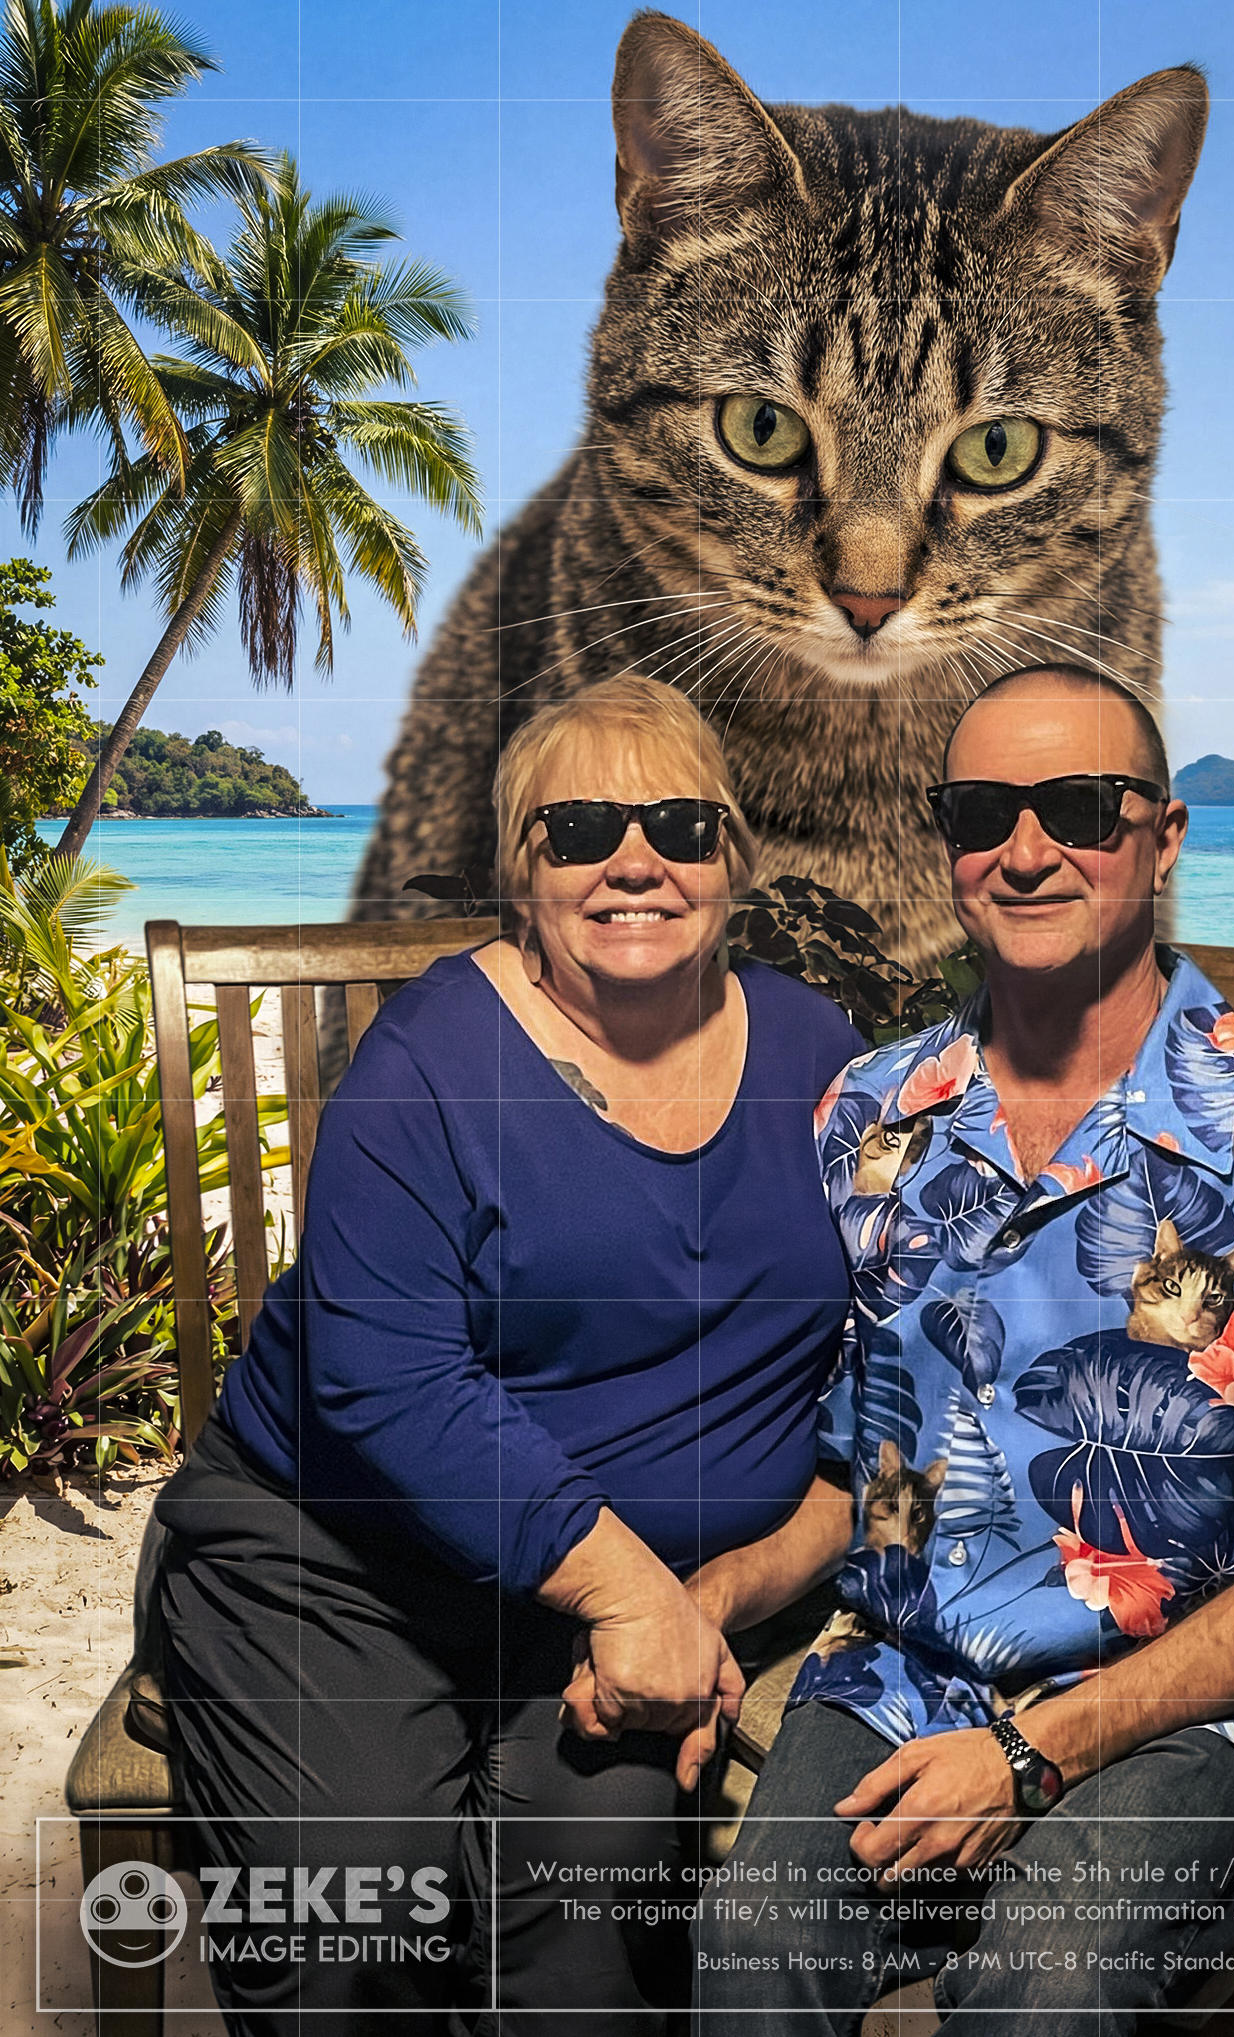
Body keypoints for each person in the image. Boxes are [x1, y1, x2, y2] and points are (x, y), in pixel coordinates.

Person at [688, 665, 1234, 2037]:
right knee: (751, 1941)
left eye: (1077, 808)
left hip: (1213, 1700)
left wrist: (1029, 1753)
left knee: (1046, 1979)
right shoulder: (873, 1118)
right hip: (908, 1669)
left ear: (1163, 838)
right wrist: (714, 1595)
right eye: (981, 812)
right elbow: (861, 1473)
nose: (1026, 850)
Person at [154, 674, 862, 2035]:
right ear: (518, 872)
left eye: (679, 825)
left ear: (734, 858)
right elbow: (384, 1377)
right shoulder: (430, 1061)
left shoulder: (816, 1053)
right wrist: (629, 1591)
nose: (635, 860)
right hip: (341, 1563)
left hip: (638, 1597)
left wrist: (715, 1591)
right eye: (581, 827)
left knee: (586, 1942)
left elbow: (883, 1349)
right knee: (354, 1924)